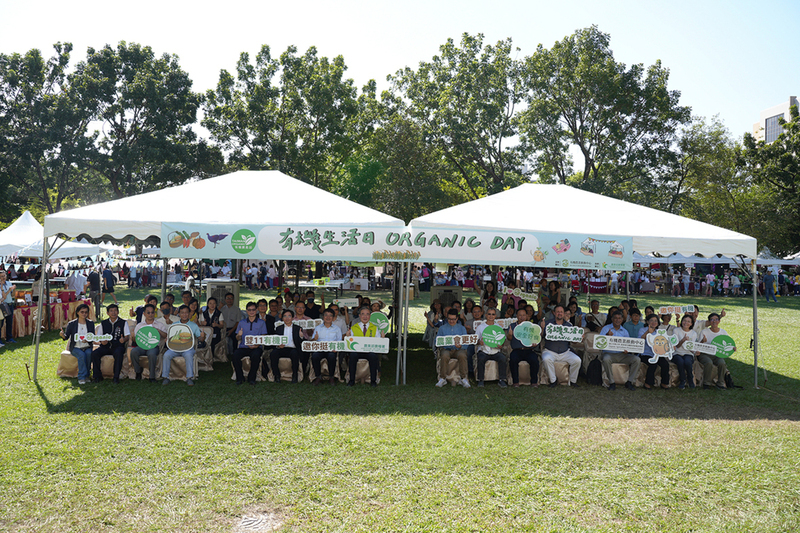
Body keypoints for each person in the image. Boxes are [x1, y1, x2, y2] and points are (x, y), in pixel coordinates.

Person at [162, 305, 204, 386]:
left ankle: (189, 378)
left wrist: (202, 336)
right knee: (166, 355)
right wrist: (167, 340)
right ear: (179, 314)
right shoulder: (174, 325)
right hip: (175, 348)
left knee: (188, 355)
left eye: (186, 313)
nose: (184, 315)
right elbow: (171, 337)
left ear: (189, 314)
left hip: (188, 348)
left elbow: (201, 339)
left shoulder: (193, 325)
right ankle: (166, 377)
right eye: (182, 313)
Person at [541, 305, 581, 387]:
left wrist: (579, 337)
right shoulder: (548, 324)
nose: (560, 313)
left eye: (561, 312)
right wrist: (542, 328)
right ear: (554, 313)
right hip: (550, 351)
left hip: (565, 352)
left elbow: (573, 342)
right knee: (546, 359)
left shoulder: (569, 326)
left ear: (564, 314)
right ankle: (553, 381)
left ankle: (573, 381)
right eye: (558, 312)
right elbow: (540, 337)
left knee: (577, 360)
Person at [599, 310, 640, 391]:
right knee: (606, 359)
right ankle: (611, 382)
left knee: (637, 359)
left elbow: (627, 345)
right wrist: (607, 336)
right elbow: (600, 344)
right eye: (615, 318)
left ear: (622, 320)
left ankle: (630, 382)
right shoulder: (606, 328)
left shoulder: (625, 331)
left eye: (619, 318)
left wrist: (627, 350)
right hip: (609, 353)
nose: (617, 320)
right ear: (612, 319)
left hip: (622, 354)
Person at [91, 303, 130, 383]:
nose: (113, 312)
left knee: (118, 353)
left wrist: (124, 339)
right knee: (95, 353)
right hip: (105, 346)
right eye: (111, 311)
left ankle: (116, 377)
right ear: (107, 313)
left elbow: (127, 336)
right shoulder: (103, 323)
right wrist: (102, 341)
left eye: (115, 310)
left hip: (118, 346)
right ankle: (97, 376)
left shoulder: (123, 322)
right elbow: (99, 336)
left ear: (118, 312)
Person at [231, 302, 268, 385]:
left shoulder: (261, 322)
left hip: (256, 347)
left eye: (253, 310)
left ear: (257, 310)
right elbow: (237, 338)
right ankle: (239, 378)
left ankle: (252, 378)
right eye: (249, 310)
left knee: (255, 356)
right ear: (246, 311)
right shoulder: (242, 322)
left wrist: (257, 345)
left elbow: (264, 336)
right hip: (244, 346)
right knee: (235, 355)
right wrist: (239, 335)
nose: (251, 311)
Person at [130, 303, 167, 382]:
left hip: (154, 346)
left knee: (152, 354)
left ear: (155, 313)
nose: (150, 314)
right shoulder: (140, 325)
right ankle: (138, 371)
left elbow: (165, 336)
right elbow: (136, 340)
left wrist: (159, 331)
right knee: (133, 352)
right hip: (142, 346)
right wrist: (133, 337)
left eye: (152, 312)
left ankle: (152, 376)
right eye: (148, 312)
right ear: (144, 314)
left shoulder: (160, 324)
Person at [434, 309, 470, 388]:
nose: (451, 321)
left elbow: (466, 342)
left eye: (453, 319)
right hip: (446, 349)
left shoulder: (462, 328)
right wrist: (444, 344)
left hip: (458, 349)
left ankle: (463, 378)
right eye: (449, 319)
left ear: (457, 318)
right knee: (444, 356)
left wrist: (461, 346)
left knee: (462, 355)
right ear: (447, 318)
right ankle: (442, 378)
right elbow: (436, 341)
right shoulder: (442, 328)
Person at [347, 306, 382, 386]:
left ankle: (373, 380)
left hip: (369, 351)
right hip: (357, 351)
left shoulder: (375, 328)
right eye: (363, 314)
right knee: (352, 356)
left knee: (373, 357)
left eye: (367, 314)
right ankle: (351, 380)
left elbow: (378, 342)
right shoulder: (353, 327)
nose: (365, 316)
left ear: (370, 316)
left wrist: (382, 338)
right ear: (359, 316)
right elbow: (349, 342)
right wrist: (348, 336)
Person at [60, 303, 95, 384]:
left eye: (86, 312)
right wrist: (62, 335)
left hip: (87, 346)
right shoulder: (72, 324)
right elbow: (66, 337)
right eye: (82, 312)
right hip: (75, 347)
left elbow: (92, 336)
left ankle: (87, 376)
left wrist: (88, 340)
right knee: (82, 355)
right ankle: (82, 377)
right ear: (78, 312)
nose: (84, 314)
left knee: (89, 354)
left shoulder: (90, 323)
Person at [474, 308, 507, 388]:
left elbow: (502, 340)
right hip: (483, 350)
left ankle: (502, 380)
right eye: (489, 314)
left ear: (495, 316)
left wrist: (501, 345)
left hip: (495, 351)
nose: (491, 316)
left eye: (493, 314)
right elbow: (475, 340)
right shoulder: (480, 327)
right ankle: (481, 380)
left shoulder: (498, 327)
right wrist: (479, 342)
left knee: (502, 358)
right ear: (485, 315)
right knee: (481, 359)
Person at [699, 313, 731, 389]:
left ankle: (720, 383)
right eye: (712, 319)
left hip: (717, 354)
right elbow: (698, 346)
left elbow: (728, 343)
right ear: (709, 322)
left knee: (722, 363)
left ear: (719, 321)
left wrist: (733, 348)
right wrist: (702, 341)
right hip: (705, 354)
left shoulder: (723, 332)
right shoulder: (704, 332)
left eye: (716, 319)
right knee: (709, 363)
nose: (714, 321)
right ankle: (706, 383)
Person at [508, 308, 538, 387]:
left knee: (534, 359)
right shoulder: (512, 326)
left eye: (524, 315)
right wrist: (510, 334)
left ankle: (534, 382)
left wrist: (535, 344)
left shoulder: (531, 326)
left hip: (529, 350)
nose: (522, 317)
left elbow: (536, 338)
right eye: (520, 315)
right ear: (517, 316)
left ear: (527, 316)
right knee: (513, 359)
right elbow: (509, 339)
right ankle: (515, 382)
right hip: (517, 350)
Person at [310, 309, 342, 385]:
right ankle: (318, 377)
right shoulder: (318, 328)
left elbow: (339, 341)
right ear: (323, 317)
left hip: (331, 350)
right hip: (320, 349)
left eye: (330, 315)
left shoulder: (337, 329)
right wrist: (314, 339)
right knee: (314, 356)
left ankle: (331, 377)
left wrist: (336, 349)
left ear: (333, 317)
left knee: (331, 356)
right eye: (326, 315)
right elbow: (312, 341)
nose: (328, 317)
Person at [639, 313, 670, 390]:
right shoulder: (642, 330)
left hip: (656, 354)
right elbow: (640, 341)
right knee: (653, 363)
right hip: (645, 353)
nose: (654, 322)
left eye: (656, 321)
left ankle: (664, 383)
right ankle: (647, 383)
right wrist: (648, 332)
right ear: (647, 321)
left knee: (665, 364)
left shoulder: (659, 332)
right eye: (651, 320)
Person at [272, 309, 304, 383]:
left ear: (292, 317)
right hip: (282, 349)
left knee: (295, 354)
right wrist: (278, 345)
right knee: (273, 353)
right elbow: (275, 341)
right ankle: (276, 375)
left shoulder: (298, 328)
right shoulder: (278, 328)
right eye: (285, 316)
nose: (287, 318)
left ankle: (295, 375)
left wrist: (301, 337)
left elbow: (301, 343)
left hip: (293, 349)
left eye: (289, 316)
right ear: (282, 318)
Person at [673, 314, 699, 389]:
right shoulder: (676, 330)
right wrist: (683, 340)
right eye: (684, 320)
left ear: (691, 324)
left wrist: (695, 352)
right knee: (680, 362)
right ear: (681, 321)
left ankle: (690, 379)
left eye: (688, 321)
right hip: (677, 353)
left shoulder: (693, 333)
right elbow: (676, 346)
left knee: (687, 362)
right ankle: (682, 380)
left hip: (688, 353)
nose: (686, 323)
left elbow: (692, 348)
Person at [0, 270, 16, 345]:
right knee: (1, 323)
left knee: (9, 322)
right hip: (3, 305)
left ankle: (9, 338)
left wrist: (14, 289)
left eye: (4, 275)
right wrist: (9, 290)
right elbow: (4, 297)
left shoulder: (9, 283)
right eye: (2, 276)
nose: (4, 277)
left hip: (10, 304)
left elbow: (12, 296)